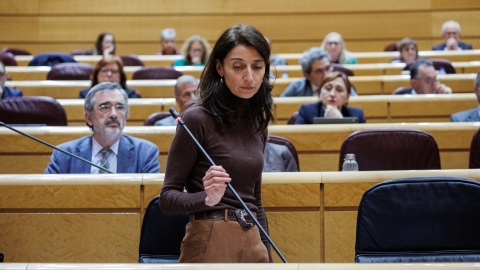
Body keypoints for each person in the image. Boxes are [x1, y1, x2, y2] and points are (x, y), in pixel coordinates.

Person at [159, 24, 273, 263]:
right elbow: (168, 199)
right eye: (238, 66)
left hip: (252, 236)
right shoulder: (196, 118)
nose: (249, 77)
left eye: (258, 67)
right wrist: (206, 198)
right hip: (211, 235)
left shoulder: (257, 123)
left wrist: (267, 255)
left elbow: (256, 201)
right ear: (220, 67)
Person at [45, 82, 160, 174]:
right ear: (89, 117)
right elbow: (47, 196)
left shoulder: (145, 153)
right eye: (105, 107)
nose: (114, 114)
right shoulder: (64, 155)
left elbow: (151, 199)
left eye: (120, 107)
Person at [280, 47, 357, 97]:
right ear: (307, 75)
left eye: (328, 68)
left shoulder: (343, 84)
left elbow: (359, 106)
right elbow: (279, 108)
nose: (326, 74)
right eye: (319, 71)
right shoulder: (296, 87)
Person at [295, 71, 366, 124]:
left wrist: (340, 121)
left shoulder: (357, 115)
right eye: (328, 88)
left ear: (347, 97)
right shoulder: (306, 111)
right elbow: (297, 139)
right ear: (320, 92)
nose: (332, 94)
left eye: (339, 90)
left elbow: (359, 143)